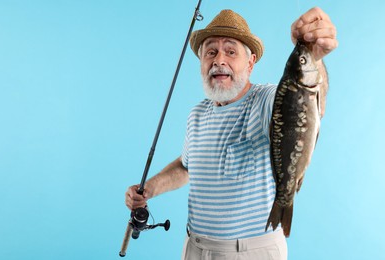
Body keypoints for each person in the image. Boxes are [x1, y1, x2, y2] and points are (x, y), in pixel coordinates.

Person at [125, 7, 337, 260]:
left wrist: (313, 57)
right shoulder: (197, 114)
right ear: (202, 62)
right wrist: (149, 188)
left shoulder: (267, 99)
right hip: (195, 247)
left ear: (250, 62)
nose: (218, 60)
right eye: (210, 52)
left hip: (253, 251)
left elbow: (304, 100)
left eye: (231, 51)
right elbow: (186, 167)